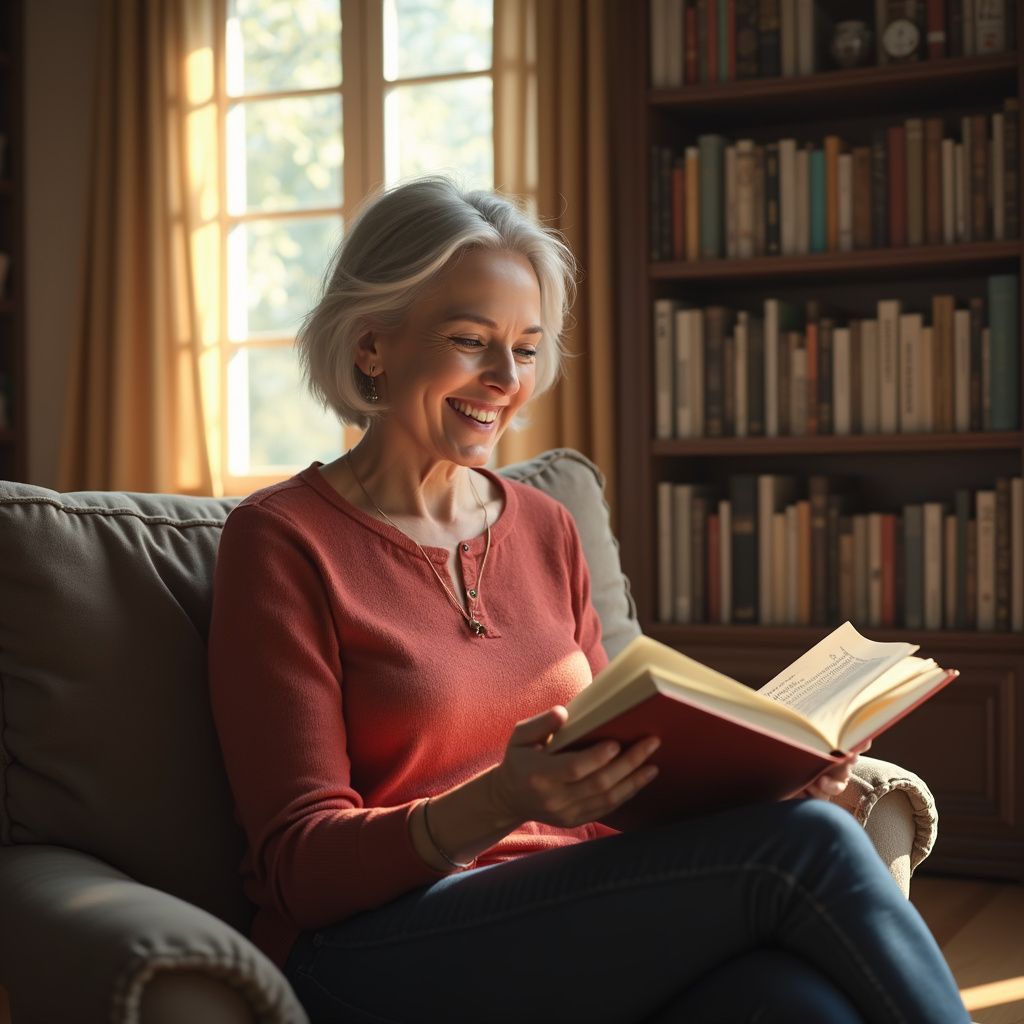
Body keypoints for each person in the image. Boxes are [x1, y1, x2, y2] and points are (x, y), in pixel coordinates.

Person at [207, 176, 970, 1024]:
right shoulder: (281, 541)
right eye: (470, 340)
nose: (505, 378)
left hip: (566, 917)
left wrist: (774, 777)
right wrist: (501, 798)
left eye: (527, 349)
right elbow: (296, 868)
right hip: (377, 944)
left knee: (795, 1005)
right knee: (814, 851)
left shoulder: (545, 526)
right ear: (370, 345)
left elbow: (625, 784)